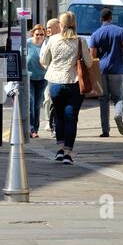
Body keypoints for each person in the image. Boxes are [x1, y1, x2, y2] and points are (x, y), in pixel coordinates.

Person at [40, 16, 94, 164]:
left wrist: (53, 68)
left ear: (61, 24)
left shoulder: (53, 39)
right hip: (73, 83)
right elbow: (89, 63)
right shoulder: (80, 41)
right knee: (71, 118)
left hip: (55, 83)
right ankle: (68, 153)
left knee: (58, 115)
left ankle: (60, 149)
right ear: (75, 24)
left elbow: (44, 60)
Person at [90, 8, 123, 136]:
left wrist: (93, 75)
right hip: (117, 70)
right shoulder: (120, 32)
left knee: (103, 100)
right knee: (119, 98)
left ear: (101, 19)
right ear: (111, 18)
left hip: (101, 71)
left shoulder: (95, 34)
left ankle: (105, 131)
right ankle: (118, 114)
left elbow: (92, 56)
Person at [26, 23, 49, 139]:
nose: (39, 36)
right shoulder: (27, 43)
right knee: (30, 101)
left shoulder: (46, 44)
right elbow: (21, 57)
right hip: (29, 77)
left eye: (41, 34)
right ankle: (31, 129)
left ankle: (35, 128)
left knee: (37, 105)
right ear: (33, 34)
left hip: (42, 78)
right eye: (37, 34)